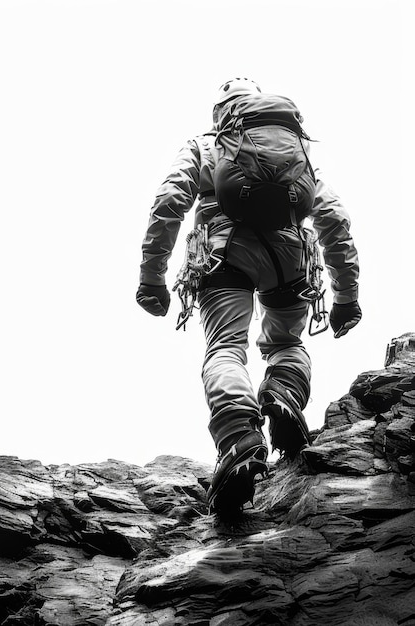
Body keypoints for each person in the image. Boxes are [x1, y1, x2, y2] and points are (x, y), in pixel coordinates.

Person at [136, 78, 361, 515]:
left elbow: (169, 201)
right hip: (292, 260)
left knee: (225, 348)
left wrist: (151, 276)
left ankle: (240, 436)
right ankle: (283, 394)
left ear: (221, 112)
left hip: (224, 256)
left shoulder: (211, 145)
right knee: (287, 343)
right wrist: (347, 296)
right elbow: (334, 219)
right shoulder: (294, 152)